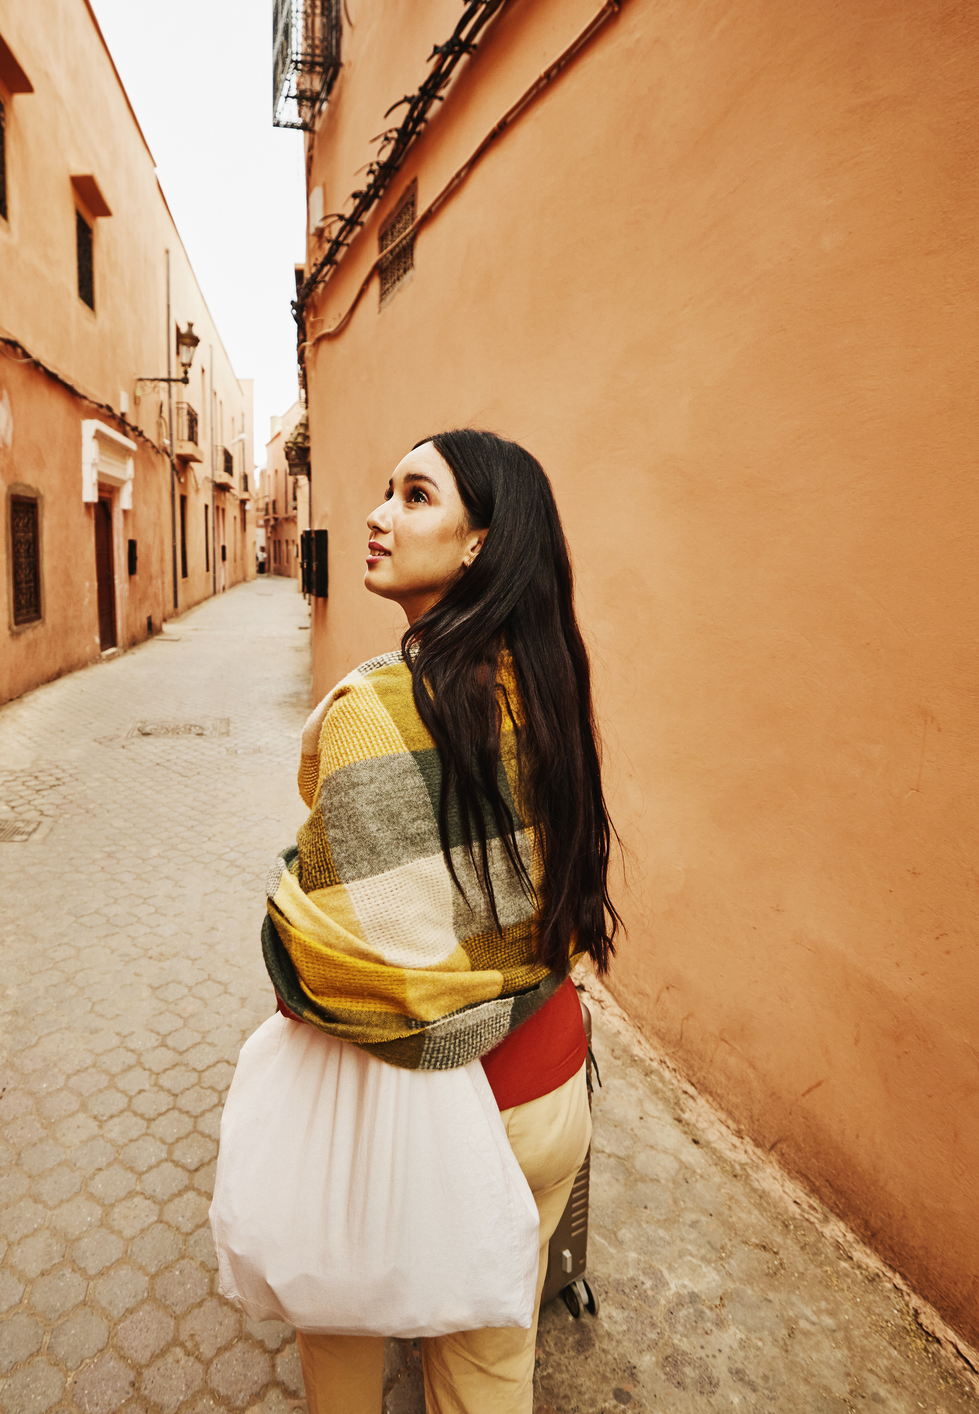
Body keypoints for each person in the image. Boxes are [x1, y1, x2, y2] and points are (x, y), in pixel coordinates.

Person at [260, 429, 621, 1414]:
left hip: (427, 1112)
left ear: (476, 544)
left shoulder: (373, 707)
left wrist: (284, 924)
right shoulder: (549, 694)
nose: (376, 516)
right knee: (487, 1370)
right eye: (384, 490)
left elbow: (336, 958)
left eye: (414, 496)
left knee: (337, 1316)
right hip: (548, 1093)